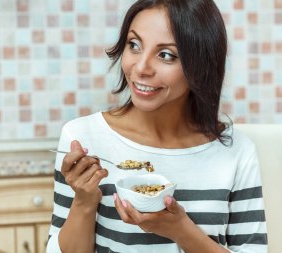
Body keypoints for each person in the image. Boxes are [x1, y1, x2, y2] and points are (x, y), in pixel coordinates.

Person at [46, 0, 268, 252]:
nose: (140, 68)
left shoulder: (237, 151)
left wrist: (180, 229)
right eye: (134, 45)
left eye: (166, 55)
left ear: (201, 64)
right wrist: (85, 202)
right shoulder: (83, 138)